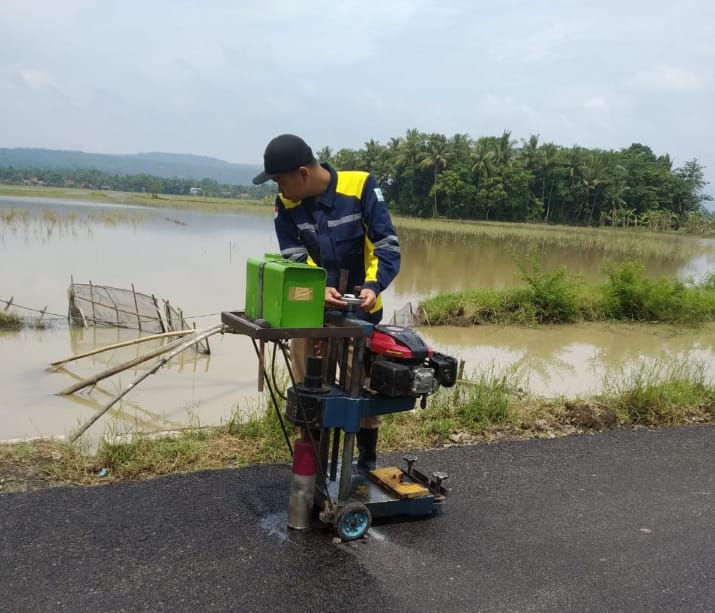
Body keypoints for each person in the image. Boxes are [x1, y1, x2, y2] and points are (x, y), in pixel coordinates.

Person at [253, 133, 401, 471]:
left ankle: (365, 460)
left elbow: (386, 244)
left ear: (302, 173)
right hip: (311, 312)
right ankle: (312, 461)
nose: (279, 189)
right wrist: (318, 290)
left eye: (280, 180)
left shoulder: (360, 187)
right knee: (309, 387)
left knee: (358, 389)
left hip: (359, 312)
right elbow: (293, 257)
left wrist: (373, 286)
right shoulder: (286, 205)